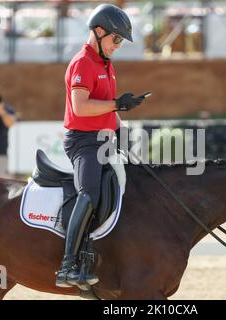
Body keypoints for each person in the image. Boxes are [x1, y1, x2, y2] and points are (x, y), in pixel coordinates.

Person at [55, 3, 147, 289]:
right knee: (90, 193)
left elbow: (107, 109)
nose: (118, 45)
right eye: (116, 39)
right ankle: (68, 265)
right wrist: (116, 103)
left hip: (104, 139)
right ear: (98, 31)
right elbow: (81, 108)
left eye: (120, 41)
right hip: (83, 142)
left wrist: (122, 126)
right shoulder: (82, 62)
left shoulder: (106, 64)